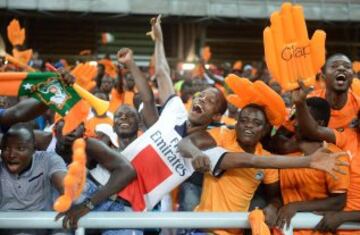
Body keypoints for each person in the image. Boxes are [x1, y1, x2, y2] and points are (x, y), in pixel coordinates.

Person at [276, 97, 350, 234]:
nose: (296, 124)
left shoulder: (334, 156)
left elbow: (338, 201)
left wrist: (295, 206)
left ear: (318, 124)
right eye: (295, 118)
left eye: (302, 119)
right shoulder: (286, 151)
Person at [0, 123, 67, 235]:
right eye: (6, 148)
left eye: (20, 148)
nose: (11, 155)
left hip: (43, 225)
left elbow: (66, 188)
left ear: (33, 149)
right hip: (9, 227)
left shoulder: (48, 160)